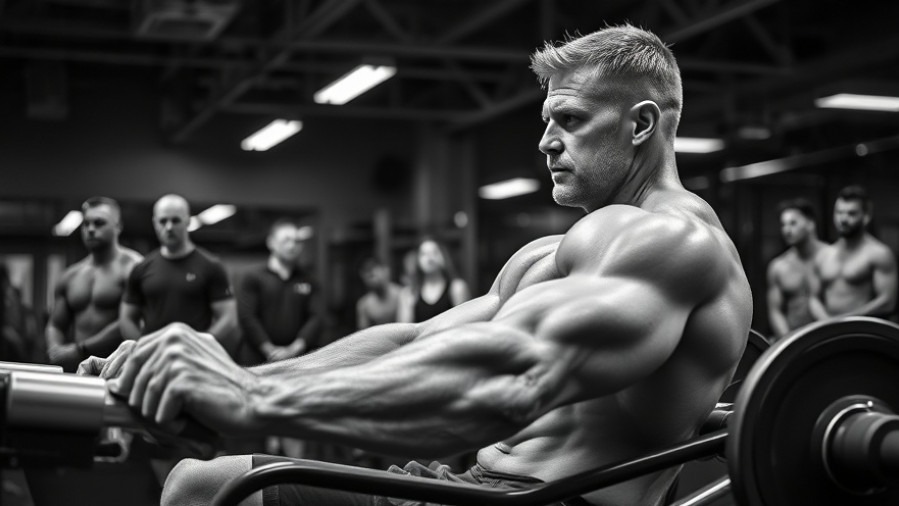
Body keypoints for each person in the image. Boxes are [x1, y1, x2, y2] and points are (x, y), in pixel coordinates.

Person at [84, 25, 752, 506]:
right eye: (546, 120)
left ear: (641, 125)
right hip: (475, 487)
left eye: (570, 120)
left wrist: (250, 400)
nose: (545, 142)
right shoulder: (561, 250)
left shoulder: (676, 243)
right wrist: (224, 376)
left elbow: (513, 380)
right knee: (203, 483)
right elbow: (415, 338)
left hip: (544, 500)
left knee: (208, 489)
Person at [236, 219, 324, 458]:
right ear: (271, 243)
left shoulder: (309, 280)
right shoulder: (253, 277)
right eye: (287, 240)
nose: (293, 245)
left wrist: (294, 348)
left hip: (297, 365)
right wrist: (269, 349)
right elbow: (247, 316)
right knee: (255, 429)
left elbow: (316, 318)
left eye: (297, 241)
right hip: (257, 364)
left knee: (294, 427)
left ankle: (292, 478)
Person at [119, 194, 238, 346]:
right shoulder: (141, 268)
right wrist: (143, 347)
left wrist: (200, 345)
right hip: (153, 355)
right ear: (155, 223)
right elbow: (127, 319)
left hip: (193, 356)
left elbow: (228, 318)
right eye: (163, 221)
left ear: (187, 221)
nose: (169, 227)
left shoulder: (211, 266)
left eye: (175, 220)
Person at [45, 197, 143, 371]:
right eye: (86, 224)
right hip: (80, 370)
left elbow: (131, 319)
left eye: (99, 223)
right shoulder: (71, 275)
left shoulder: (133, 268)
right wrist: (55, 350)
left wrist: (81, 349)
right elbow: (55, 325)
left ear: (118, 226)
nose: (90, 229)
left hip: (118, 370)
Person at [811, 185, 898, 321]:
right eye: (839, 213)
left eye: (851, 213)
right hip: (829, 329)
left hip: (862, 330)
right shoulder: (824, 254)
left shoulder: (879, 253)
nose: (843, 219)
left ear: (866, 216)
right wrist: (827, 323)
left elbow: (887, 302)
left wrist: (844, 321)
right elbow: (813, 298)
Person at [765, 198, 826, 340]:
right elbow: (775, 311)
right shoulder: (778, 267)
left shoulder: (831, 259)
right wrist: (788, 342)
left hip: (830, 338)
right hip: (793, 340)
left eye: (793, 223)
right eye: (783, 225)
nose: (787, 230)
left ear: (810, 224)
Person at [397, 238, 471, 323]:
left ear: (443, 256)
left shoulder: (456, 288)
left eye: (434, 252)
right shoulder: (409, 293)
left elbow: (465, 325)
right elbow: (405, 329)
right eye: (424, 254)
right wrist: (410, 305)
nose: (429, 258)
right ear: (417, 260)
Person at [356, 257, 402, 329]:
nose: (372, 280)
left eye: (373, 275)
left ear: (385, 271)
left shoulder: (401, 294)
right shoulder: (364, 305)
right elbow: (363, 333)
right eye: (368, 276)